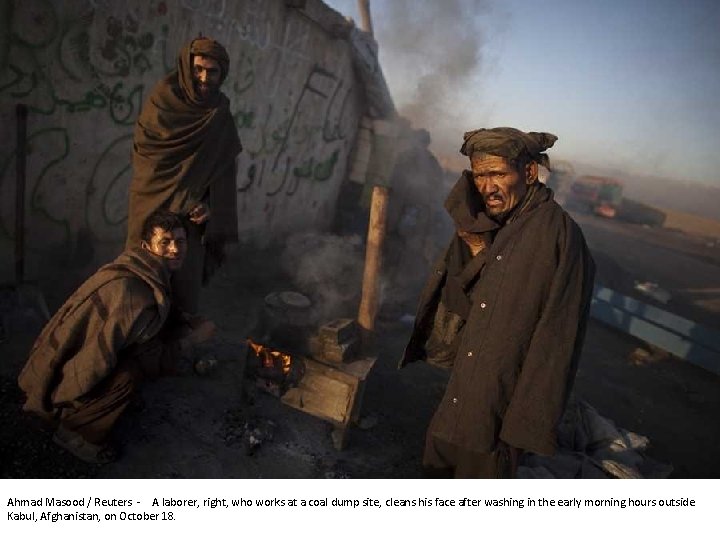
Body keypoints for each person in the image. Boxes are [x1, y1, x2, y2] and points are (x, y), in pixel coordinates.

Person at [399, 127, 595, 478]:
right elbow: (468, 306)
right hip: (461, 394)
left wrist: (525, 424)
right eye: (478, 176)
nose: (486, 187)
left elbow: (558, 341)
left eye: (498, 174)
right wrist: (475, 251)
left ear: (529, 173)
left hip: (500, 411)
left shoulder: (560, 238)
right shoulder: (496, 224)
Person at [18, 210, 215, 464]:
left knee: (159, 337)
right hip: (64, 379)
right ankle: (77, 432)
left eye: (180, 241)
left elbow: (162, 308)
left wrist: (184, 319)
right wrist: (194, 340)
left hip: (57, 363)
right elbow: (154, 360)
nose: (175, 249)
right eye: (165, 242)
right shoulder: (137, 294)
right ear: (147, 246)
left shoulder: (136, 267)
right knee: (132, 374)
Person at [126, 37, 242, 315]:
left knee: (183, 296)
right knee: (141, 290)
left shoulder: (220, 116)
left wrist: (210, 206)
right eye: (198, 69)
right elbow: (149, 163)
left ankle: (176, 347)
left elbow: (223, 172)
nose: (203, 77)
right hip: (152, 210)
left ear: (221, 74)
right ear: (186, 68)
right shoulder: (162, 102)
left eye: (212, 71)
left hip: (190, 225)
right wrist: (183, 197)